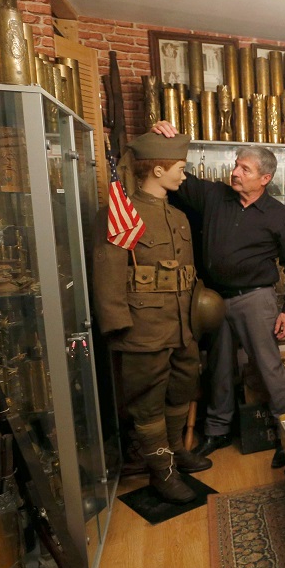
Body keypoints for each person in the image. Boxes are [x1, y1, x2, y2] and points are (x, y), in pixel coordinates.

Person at [151, 120, 285, 469]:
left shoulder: (280, 216)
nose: (235, 172)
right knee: (217, 368)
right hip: (212, 300)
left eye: (244, 168)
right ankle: (218, 430)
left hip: (256, 300)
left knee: (269, 369)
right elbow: (177, 178)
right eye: (236, 164)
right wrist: (171, 141)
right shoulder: (214, 196)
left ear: (264, 178)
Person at [92, 132, 214, 503]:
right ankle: (161, 471)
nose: (183, 175)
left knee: (181, 390)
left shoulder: (178, 216)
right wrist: (117, 325)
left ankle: (176, 451)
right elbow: (107, 271)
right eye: (179, 168)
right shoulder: (122, 214)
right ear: (158, 169)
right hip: (143, 328)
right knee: (146, 402)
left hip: (182, 327)